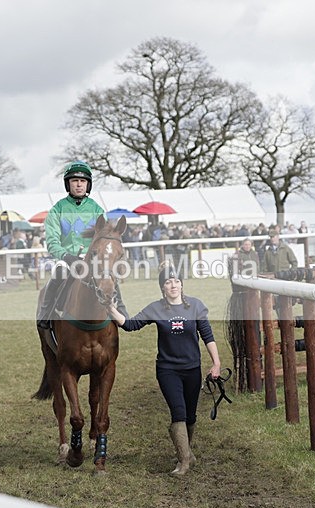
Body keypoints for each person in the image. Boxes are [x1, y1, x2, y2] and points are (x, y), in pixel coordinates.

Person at [107, 263, 220, 476]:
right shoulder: (156, 308)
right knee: (178, 412)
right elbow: (130, 325)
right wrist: (111, 309)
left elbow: (208, 336)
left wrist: (216, 363)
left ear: (182, 284)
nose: (173, 285)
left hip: (192, 369)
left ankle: (187, 451)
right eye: (168, 282)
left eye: (176, 281)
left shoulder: (195, 306)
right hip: (168, 370)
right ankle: (184, 460)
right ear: (162, 287)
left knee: (191, 415)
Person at [36, 160, 127, 328]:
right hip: (67, 259)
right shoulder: (57, 210)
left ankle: (120, 307)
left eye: (83, 181)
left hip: (92, 258)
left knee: (108, 277)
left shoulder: (97, 209)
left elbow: (104, 239)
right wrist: (66, 256)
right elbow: (52, 242)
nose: (79, 185)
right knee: (57, 276)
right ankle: (45, 314)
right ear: (68, 184)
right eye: (74, 181)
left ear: (88, 185)